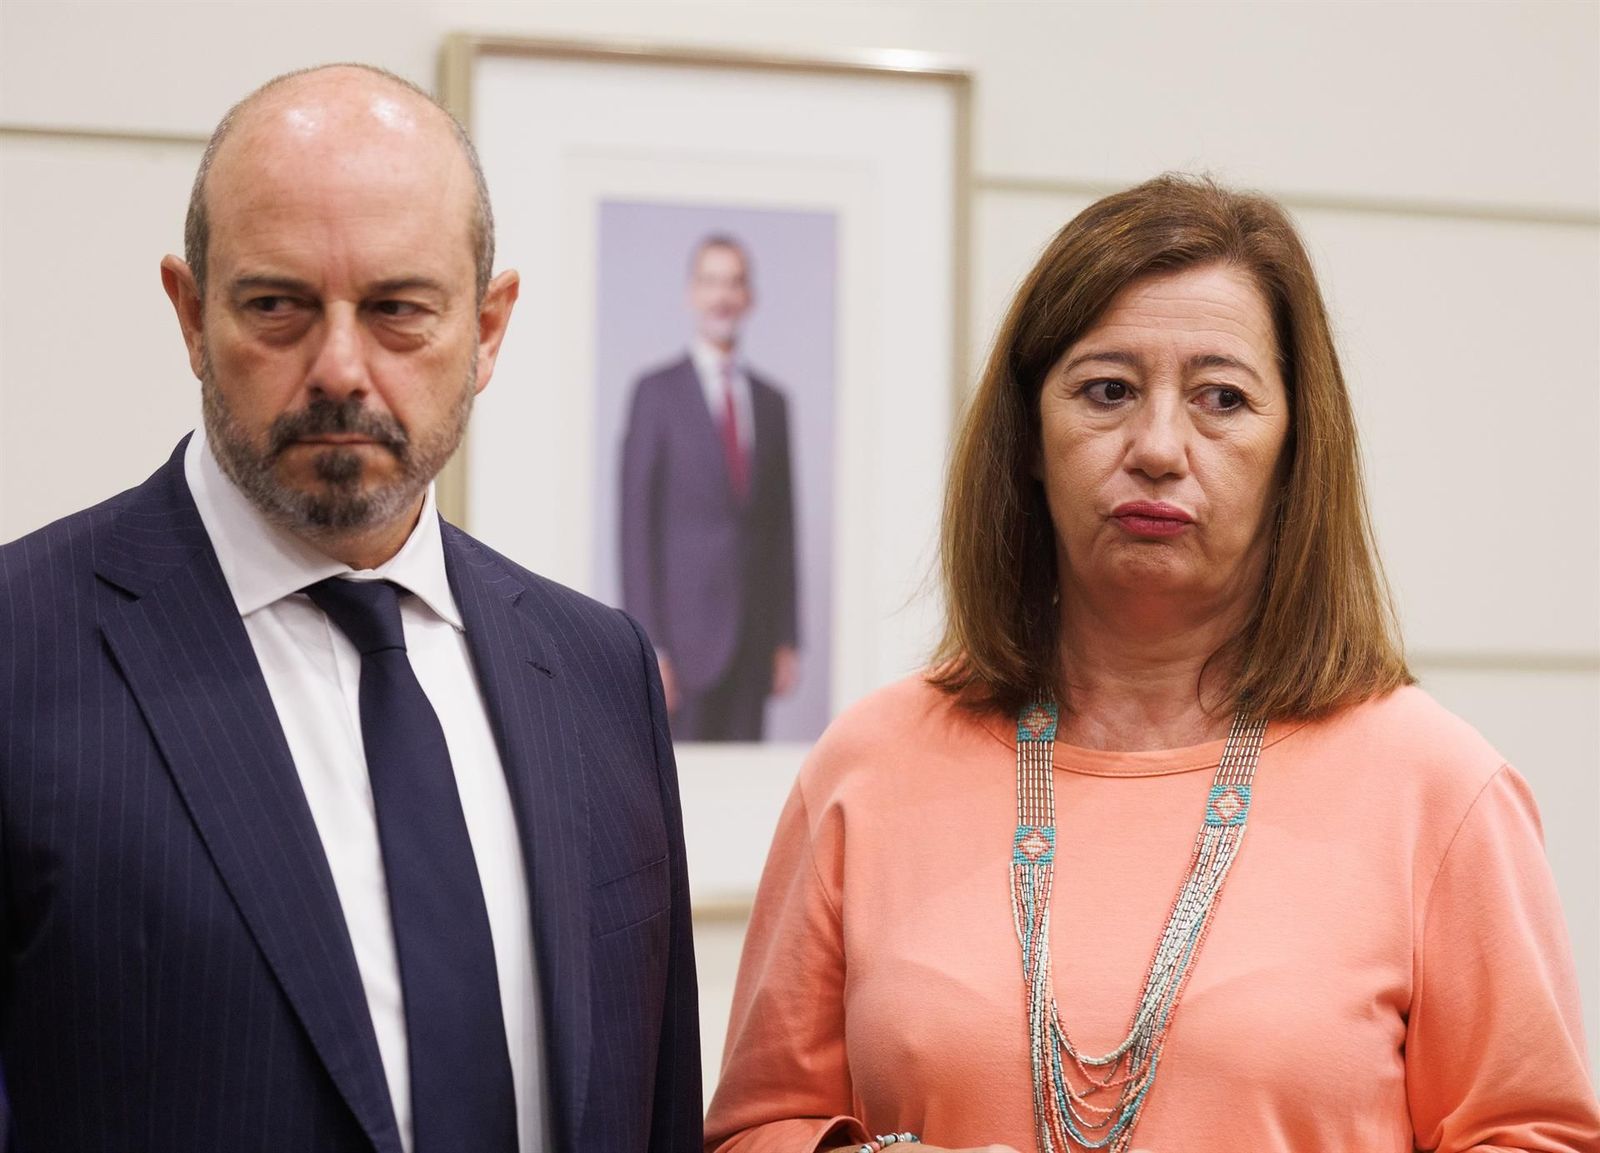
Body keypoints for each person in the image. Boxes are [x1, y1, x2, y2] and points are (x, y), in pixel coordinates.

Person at [705, 175, 1599, 1152]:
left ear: (1294, 448)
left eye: (1221, 398)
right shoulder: (867, 767)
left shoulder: (1438, 788)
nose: (1158, 447)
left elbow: (1536, 1134)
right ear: (1031, 440)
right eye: (1107, 391)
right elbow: (758, 1124)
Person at [0, 64, 701, 1153]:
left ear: (489, 326)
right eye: (277, 306)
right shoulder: (18, 648)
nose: (339, 367)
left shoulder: (598, 669)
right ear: (190, 315)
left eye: (397, 310)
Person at [620, 234, 799, 742]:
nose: (723, 295)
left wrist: (786, 638)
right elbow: (635, 527)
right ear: (691, 294)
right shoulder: (655, 393)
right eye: (711, 281)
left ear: (749, 298)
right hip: (680, 645)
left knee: (741, 797)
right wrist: (648, 646)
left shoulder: (772, 402)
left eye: (735, 282)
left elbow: (782, 526)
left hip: (754, 642)